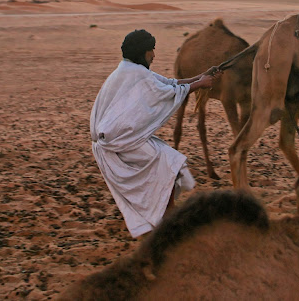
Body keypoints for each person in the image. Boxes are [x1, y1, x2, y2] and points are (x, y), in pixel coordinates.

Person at [90, 29, 219, 238]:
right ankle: (167, 217)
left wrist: (202, 77)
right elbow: (166, 92)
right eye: (151, 50)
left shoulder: (128, 69)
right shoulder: (136, 74)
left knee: (169, 164)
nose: (154, 55)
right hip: (118, 142)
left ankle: (165, 214)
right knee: (169, 164)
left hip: (122, 139)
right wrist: (201, 84)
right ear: (142, 52)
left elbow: (170, 83)